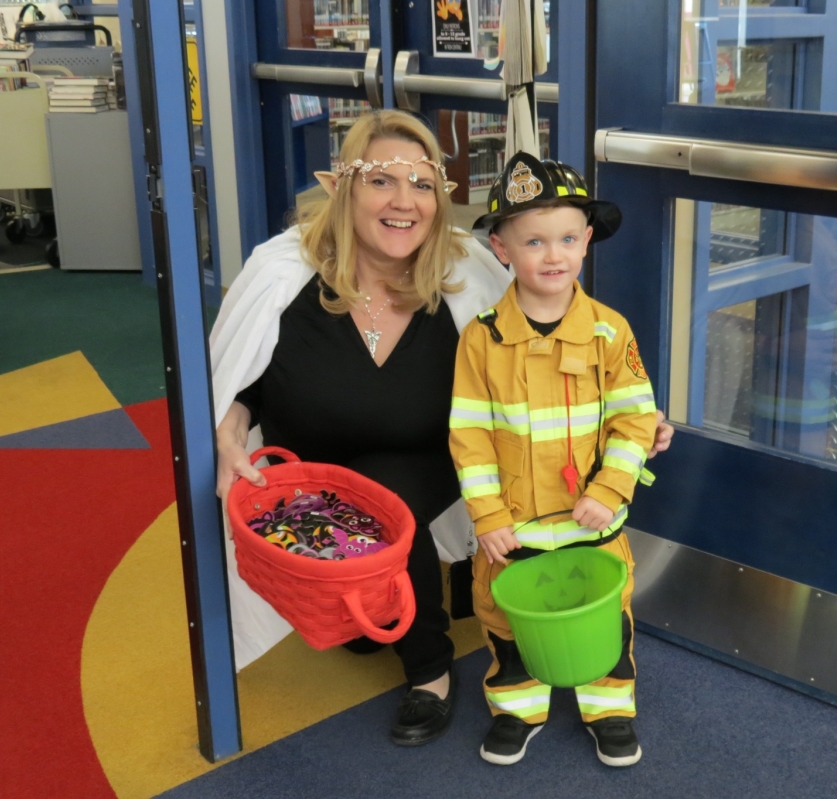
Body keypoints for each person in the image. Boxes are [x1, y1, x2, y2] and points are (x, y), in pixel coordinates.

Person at [210, 110, 675, 747]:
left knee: (386, 501)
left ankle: (429, 670)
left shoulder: (465, 279)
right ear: (345, 188)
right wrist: (229, 432)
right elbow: (246, 381)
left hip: (433, 460)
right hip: (316, 473)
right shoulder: (284, 276)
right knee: (356, 614)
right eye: (381, 181)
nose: (404, 201)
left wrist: (629, 419)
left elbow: (550, 367)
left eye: (422, 184)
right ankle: (366, 601)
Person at [449, 153, 656, 767]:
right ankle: (517, 708)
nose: (553, 255)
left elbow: (635, 418)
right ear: (501, 249)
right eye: (534, 240)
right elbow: (470, 434)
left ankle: (610, 706)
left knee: (606, 624)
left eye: (567, 238)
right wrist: (486, 516)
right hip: (513, 529)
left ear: (588, 241)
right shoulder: (481, 339)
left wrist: (612, 490)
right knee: (507, 627)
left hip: (592, 521)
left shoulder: (610, 332)